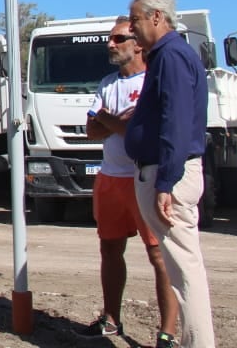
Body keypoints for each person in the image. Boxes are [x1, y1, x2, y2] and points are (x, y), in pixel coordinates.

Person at [123, 0, 215, 348]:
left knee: (184, 269)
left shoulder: (172, 56)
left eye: (135, 20)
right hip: (163, 172)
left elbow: (175, 123)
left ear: (157, 17)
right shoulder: (166, 55)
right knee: (181, 268)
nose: (131, 28)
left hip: (169, 175)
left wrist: (165, 181)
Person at [77, 18, 178, 340]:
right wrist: (114, 119)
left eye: (118, 38)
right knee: (109, 248)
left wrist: (109, 120)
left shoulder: (152, 81)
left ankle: (167, 333)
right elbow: (92, 130)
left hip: (145, 176)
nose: (111, 44)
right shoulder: (107, 83)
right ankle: (111, 319)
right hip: (110, 177)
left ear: (137, 43)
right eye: (110, 39)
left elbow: (138, 132)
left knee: (159, 255)